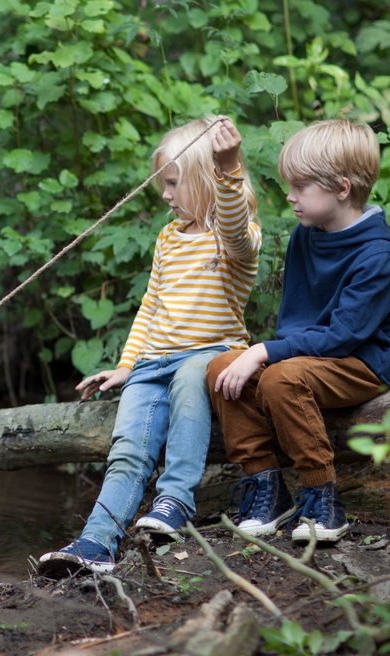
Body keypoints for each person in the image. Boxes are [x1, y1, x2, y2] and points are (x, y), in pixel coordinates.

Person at [37, 116, 261, 577]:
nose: (166, 195)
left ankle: (175, 502)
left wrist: (229, 167)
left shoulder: (233, 238)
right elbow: (150, 306)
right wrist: (127, 365)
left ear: (204, 182)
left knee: (186, 379)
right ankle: (96, 542)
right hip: (154, 361)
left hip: (210, 354)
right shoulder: (166, 239)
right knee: (128, 449)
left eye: (174, 184)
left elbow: (236, 225)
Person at [207, 119, 390, 544]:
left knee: (281, 375)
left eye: (301, 187)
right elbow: (298, 323)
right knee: (220, 368)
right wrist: (263, 354)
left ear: (342, 188)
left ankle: (321, 495)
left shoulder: (378, 257)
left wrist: (264, 351)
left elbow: (343, 336)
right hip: (310, 358)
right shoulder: (306, 236)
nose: (290, 196)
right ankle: (266, 487)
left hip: (361, 362)